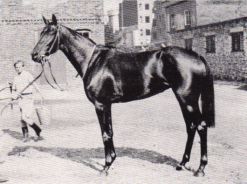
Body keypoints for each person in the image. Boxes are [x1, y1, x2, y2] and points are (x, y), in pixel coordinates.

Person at [12, 60, 43, 142]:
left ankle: (37, 129)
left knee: (25, 117)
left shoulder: (27, 75)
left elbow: (34, 84)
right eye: (16, 67)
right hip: (21, 99)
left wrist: (40, 94)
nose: (18, 69)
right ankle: (26, 136)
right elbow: (14, 89)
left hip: (28, 98)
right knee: (22, 119)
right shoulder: (15, 78)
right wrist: (14, 95)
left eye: (19, 67)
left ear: (23, 67)